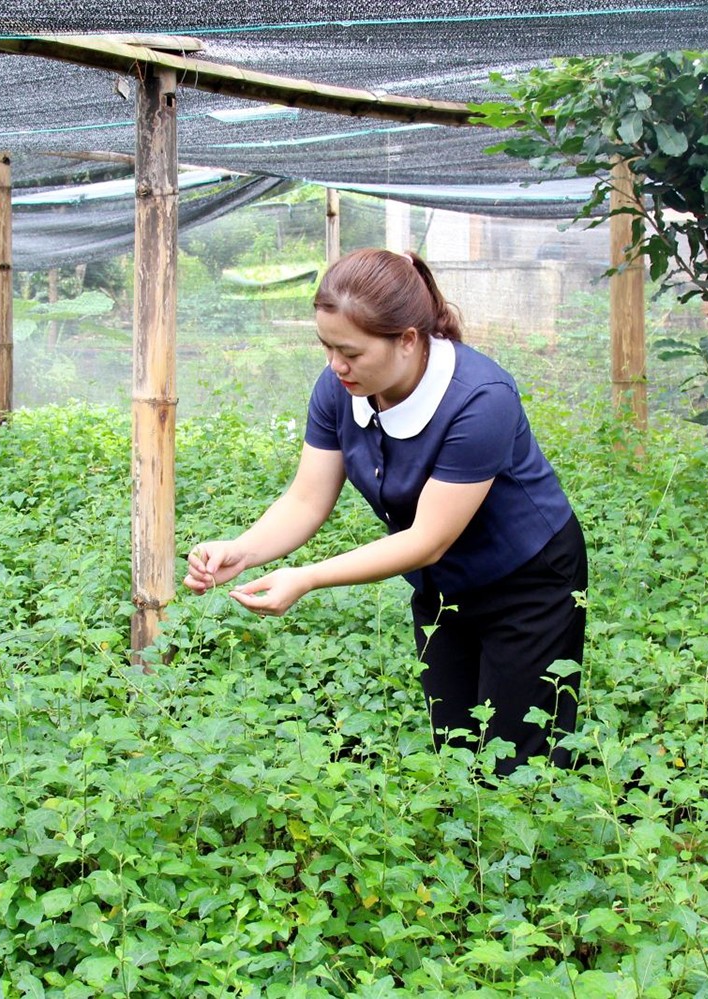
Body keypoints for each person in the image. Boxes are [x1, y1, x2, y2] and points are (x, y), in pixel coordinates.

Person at [183, 248, 587, 776]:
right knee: (458, 745)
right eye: (326, 347)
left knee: (520, 758)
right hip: (441, 586)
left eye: (350, 351)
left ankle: (526, 852)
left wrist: (304, 579)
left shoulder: (480, 399)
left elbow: (427, 539)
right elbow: (307, 498)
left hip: (529, 580)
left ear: (409, 340)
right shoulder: (341, 388)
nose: (336, 365)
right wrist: (243, 549)